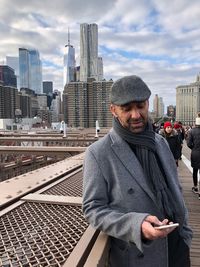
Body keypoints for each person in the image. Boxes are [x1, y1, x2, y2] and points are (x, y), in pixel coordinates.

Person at [83, 75, 192, 267]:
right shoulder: (98, 153)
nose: (135, 115)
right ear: (113, 110)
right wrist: (136, 225)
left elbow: (175, 188)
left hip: (177, 247)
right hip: (140, 254)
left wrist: (185, 234)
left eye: (140, 106)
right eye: (127, 109)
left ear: (148, 104)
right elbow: (93, 210)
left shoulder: (159, 143)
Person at [187, 112, 200, 196]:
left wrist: (194, 148)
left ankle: (195, 187)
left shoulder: (191, 131)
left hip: (195, 154)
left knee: (195, 171)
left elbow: (188, 143)